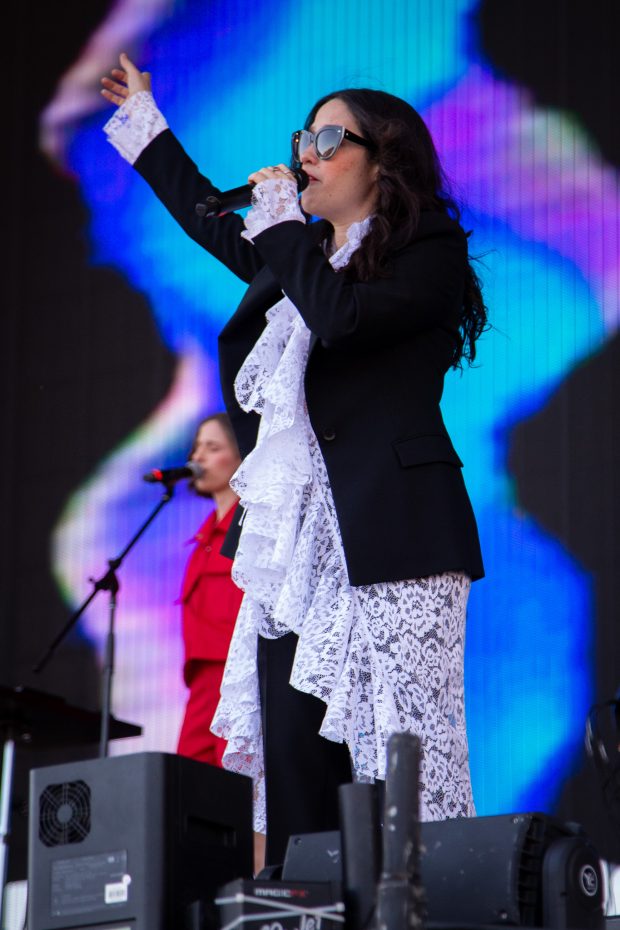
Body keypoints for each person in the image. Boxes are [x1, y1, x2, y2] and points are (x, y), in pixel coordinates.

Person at [101, 53, 488, 867]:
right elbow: (212, 218)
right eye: (301, 136)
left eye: (326, 136)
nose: (303, 152)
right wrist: (145, 122)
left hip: (393, 540)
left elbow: (342, 319)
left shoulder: (430, 253)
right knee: (297, 772)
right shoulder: (298, 255)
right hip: (296, 558)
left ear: (382, 162)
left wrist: (282, 223)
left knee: (398, 767)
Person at [176, 413, 242, 768]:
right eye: (196, 447)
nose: (197, 458)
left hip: (236, 677)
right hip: (201, 684)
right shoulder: (203, 537)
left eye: (212, 447)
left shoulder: (250, 528)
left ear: (242, 456)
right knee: (187, 787)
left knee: (238, 788)